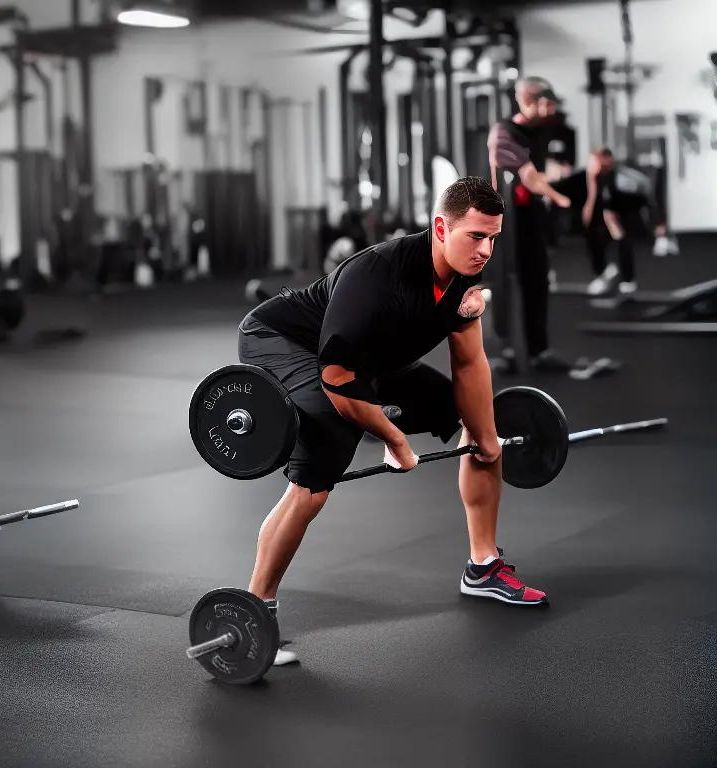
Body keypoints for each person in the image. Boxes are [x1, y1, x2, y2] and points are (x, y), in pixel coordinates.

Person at [237, 177, 548, 668]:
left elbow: (469, 365)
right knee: (322, 465)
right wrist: (394, 438)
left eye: (493, 238)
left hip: (368, 359)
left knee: (472, 420)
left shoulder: (465, 279)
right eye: (476, 237)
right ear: (441, 228)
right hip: (285, 341)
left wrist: (486, 434)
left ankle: (483, 565)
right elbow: (338, 380)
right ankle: (254, 611)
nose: (486, 250)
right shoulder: (377, 278)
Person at [486, 78, 573, 376]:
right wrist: (559, 197)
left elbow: (546, 169)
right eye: (547, 104)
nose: (551, 110)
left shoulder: (542, 130)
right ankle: (506, 352)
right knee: (507, 282)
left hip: (531, 217)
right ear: (528, 101)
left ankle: (539, 351)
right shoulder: (503, 133)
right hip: (504, 222)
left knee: (538, 280)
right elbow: (530, 178)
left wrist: (557, 175)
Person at [582, 147, 664, 296]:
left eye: (594, 161)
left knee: (620, 236)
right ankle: (604, 273)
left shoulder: (623, 179)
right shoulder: (594, 178)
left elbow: (645, 200)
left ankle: (627, 279)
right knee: (593, 233)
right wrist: (591, 182)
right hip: (610, 211)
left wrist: (658, 225)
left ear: (607, 160)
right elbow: (588, 213)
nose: (590, 165)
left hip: (630, 207)